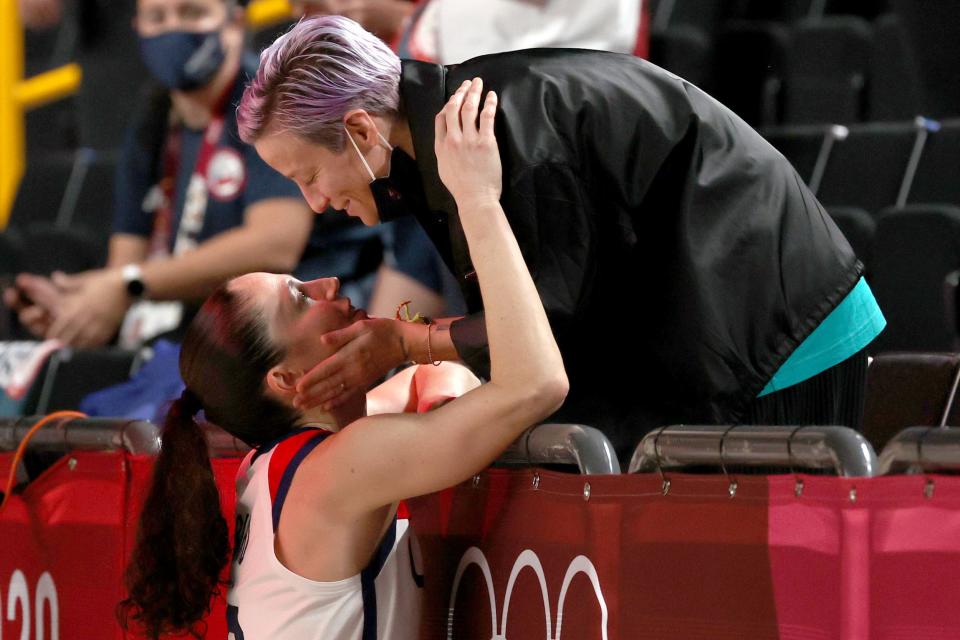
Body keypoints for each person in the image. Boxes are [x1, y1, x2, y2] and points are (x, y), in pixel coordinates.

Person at [237, 16, 886, 462]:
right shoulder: (438, 139)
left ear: (360, 128)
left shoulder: (497, 134)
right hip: (721, 315)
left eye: (309, 175)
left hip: (778, 327)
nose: (315, 202)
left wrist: (408, 343)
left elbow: (543, 338)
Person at [116, 79, 568, 638]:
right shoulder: (337, 468)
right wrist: (476, 199)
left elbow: (432, 376)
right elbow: (537, 383)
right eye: (301, 298)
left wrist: (419, 358)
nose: (329, 282)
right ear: (285, 379)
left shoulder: (282, 461)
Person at [3, 0, 371, 348]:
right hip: (198, 331)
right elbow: (125, 266)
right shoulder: (151, 120)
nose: (173, 30)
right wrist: (79, 308)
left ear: (235, 21)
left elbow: (275, 244)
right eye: (157, 18)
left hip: (286, 327)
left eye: (192, 12)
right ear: (137, 29)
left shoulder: (268, 100)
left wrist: (128, 284)